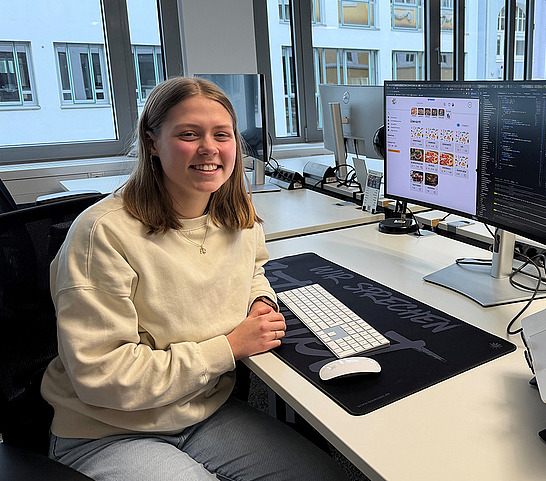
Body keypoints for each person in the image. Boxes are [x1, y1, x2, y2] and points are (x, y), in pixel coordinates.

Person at [41, 77, 347, 481]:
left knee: (324, 476)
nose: (209, 148)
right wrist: (229, 348)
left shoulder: (236, 214)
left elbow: (254, 269)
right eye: (189, 134)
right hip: (110, 428)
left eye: (222, 134)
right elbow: (103, 376)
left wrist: (261, 303)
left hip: (201, 409)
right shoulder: (103, 233)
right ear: (152, 142)